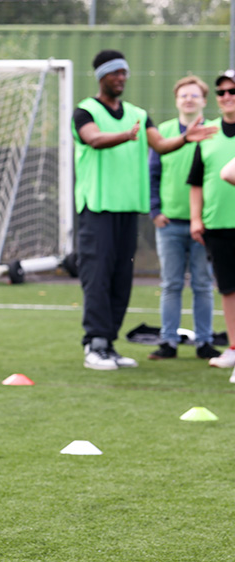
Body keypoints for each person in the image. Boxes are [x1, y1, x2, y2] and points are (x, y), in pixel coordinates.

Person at [72, 49, 216, 370]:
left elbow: (161, 145)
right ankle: (94, 344)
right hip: (97, 209)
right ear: (101, 76)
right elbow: (93, 140)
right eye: (115, 73)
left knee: (122, 278)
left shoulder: (137, 113)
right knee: (97, 277)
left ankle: (108, 343)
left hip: (128, 211)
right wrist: (124, 135)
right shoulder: (86, 111)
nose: (121, 78)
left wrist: (185, 138)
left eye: (124, 73)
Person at [147, 75, 220, 361]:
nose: (188, 100)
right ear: (176, 101)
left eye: (194, 95)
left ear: (203, 100)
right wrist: (155, 211)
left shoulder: (214, 132)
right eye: (183, 96)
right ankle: (169, 341)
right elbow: (153, 174)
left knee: (202, 283)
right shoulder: (162, 133)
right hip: (170, 224)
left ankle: (204, 341)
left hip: (203, 224)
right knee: (171, 284)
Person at [188, 69, 235, 380]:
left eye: (233, 91)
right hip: (218, 223)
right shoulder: (208, 132)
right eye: (222, 92)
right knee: (228, 288)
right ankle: (233, 347)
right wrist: (196, 218)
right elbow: (196, 182)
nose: (227, 96)